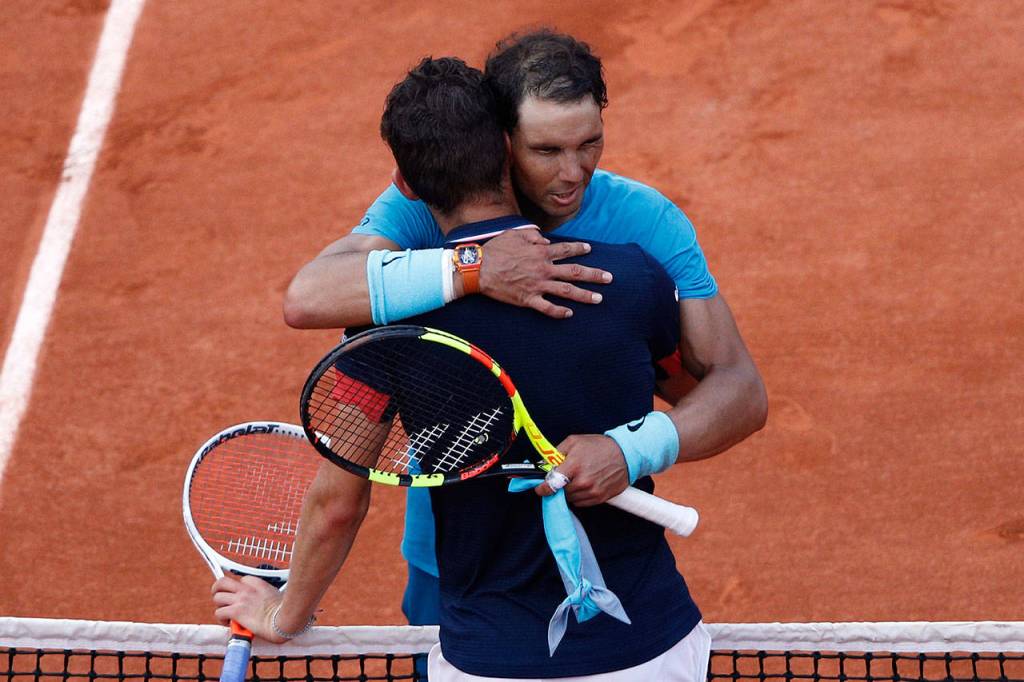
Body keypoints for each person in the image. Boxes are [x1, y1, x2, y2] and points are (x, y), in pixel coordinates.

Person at [215, 55, 713, 681]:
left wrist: (283, 615)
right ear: (509, 151)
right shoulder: (636, 276)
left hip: (488, 658)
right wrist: (629, 440)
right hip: (656, 649)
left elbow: (337, 504)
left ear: (406, 183)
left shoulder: (383, 328)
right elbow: (697, 391)